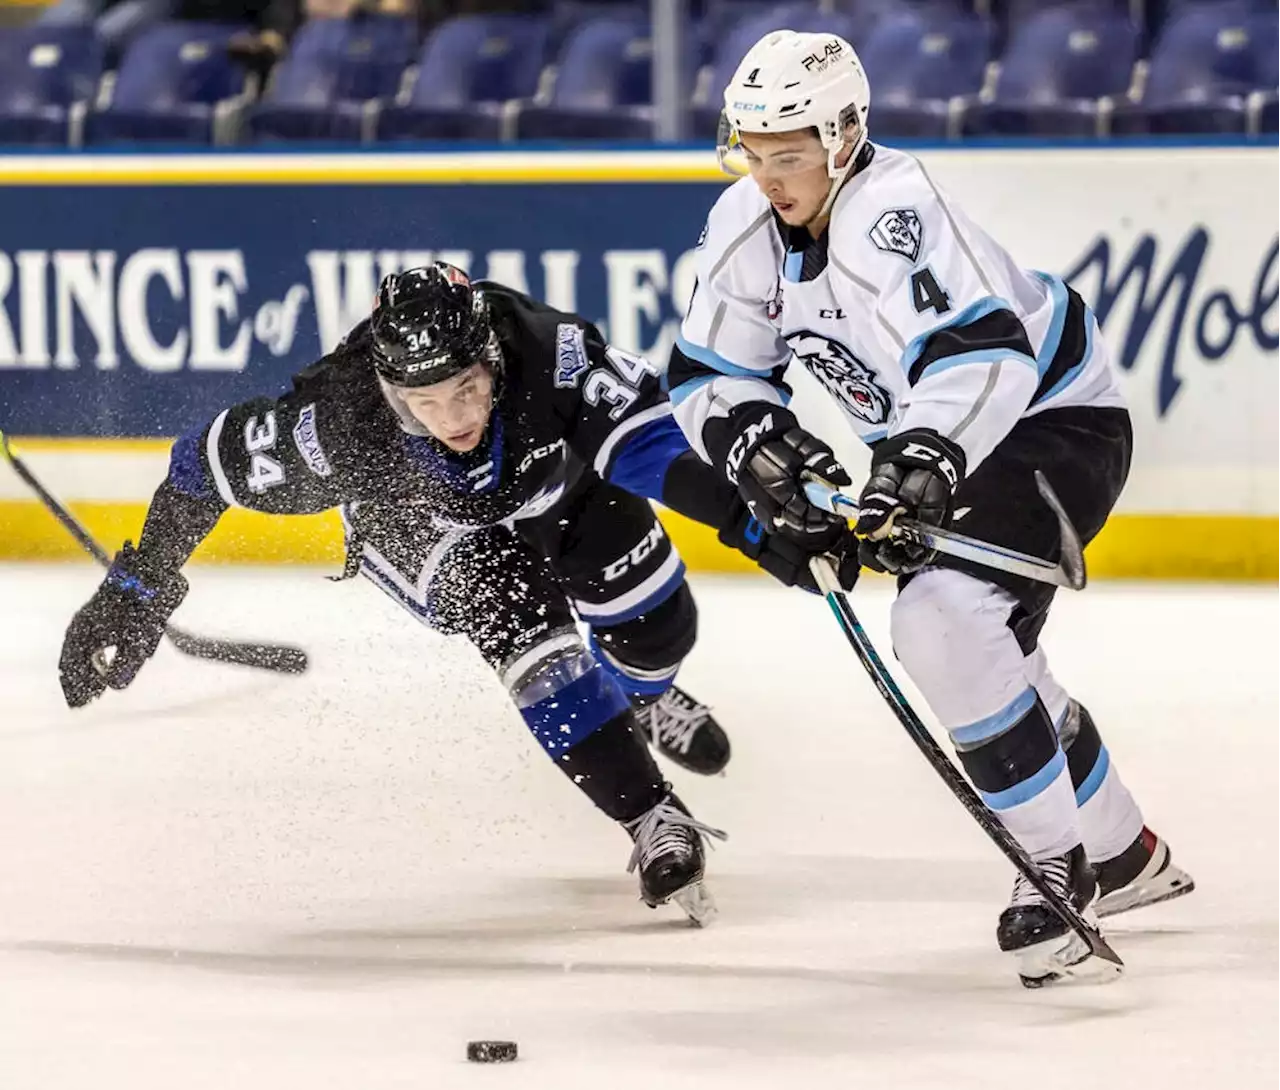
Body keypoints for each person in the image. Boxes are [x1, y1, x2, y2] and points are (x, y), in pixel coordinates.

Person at [668, 29, 1195, 983]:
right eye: (754, 151)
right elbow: (708, 369)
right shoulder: (747, 224)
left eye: (788, 154)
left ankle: (1054, 866)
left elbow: (984, 353)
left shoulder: (892, 211)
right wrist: (759, 447)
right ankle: (1122, 854)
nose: (768, 175)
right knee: (988, 652)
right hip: (953, 440)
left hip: (1051, 420)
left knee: (948, 619)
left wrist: (920, 457)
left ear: (845, 135)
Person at [55, 264, 809, 923]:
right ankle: (652, 817)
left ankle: (638, 694)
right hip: (418, 527)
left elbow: (653, 443)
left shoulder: (551, 354)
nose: (455, 420)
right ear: (389, 391)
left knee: (658, 629)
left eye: (467, 390)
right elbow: (200, 467)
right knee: (525, 635)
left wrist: (746, 518)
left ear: (491, 361)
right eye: (425, 403)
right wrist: (137, 590)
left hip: (561, 489)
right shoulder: (339, 423)